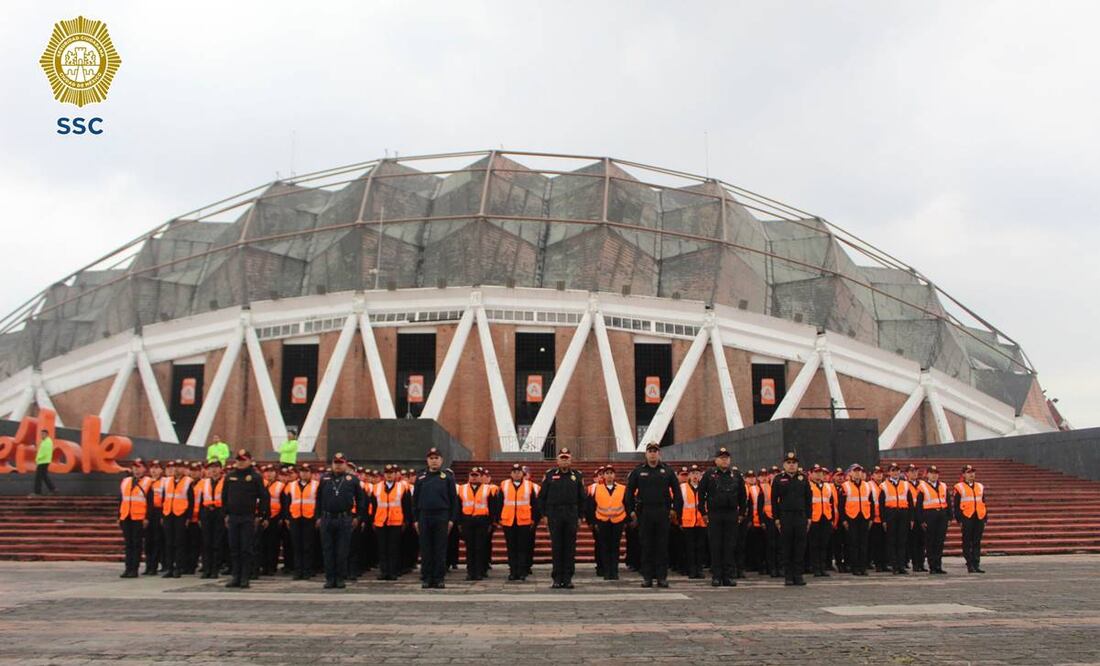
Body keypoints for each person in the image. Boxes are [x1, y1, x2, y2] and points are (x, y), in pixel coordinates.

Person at [626, 442, 683, 589]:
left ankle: (662, 577)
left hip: (662, 512)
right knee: (646, 546)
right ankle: (647, 577)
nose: (652, 454)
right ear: (646, 454)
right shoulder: (638, 471)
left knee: (662, 546)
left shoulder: (667, 471)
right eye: (650, 451)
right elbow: (628, 493)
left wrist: (675, 510)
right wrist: (631, 511)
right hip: (645, 513)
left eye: (655, 451)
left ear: (659, 453)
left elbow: (677, 493)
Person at [316, 452, 366, 589]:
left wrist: (358, 517)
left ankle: (340, 578)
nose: (338, 466)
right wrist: (318, 517)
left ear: (345, 464)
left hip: (344, 519)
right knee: (328, 550)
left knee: (342, 550)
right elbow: (318, 499)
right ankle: (329, 578)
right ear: (332, 464)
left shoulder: (352, 480)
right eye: (336, 463)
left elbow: (361, 500)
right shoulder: (324, 479)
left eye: (341, 463)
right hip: (327, 518)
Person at [698, 447, 746, 587]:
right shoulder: (709, 474)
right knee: (716, 546)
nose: (724, 460)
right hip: (715, 514)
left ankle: (729, 576)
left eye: (726, 457)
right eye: (721, 457)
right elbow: (701, 494)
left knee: (730, 546)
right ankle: (717, 576)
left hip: (731, 514)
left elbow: (743, 496)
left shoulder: (736, 475)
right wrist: (703, 512)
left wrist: (742, 513)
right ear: (716, 460)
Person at [221, 449, 269, 589]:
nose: (240, 463)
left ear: (249, 461)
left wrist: (261, 515)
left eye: (243, 460)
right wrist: (225, 514)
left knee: (246, 548)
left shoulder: (255, 477)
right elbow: (224, 497)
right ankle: (235, 576)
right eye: (238, 460)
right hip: (233, 517)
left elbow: (264, 497)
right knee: (234, 547)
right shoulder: (230, 476)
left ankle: (245, 578)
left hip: (248, 517)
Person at [539, 448, 586, 589]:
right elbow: (542, 497)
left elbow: (582, 498)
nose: (564, 460)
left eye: (567, 458)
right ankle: (557, 578)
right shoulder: (550, 475)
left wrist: (580, 516)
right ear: (557, 460)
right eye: (562, 458)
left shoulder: (577, 475)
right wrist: (544, 515)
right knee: (557, 547)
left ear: (570, 460)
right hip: (554, 514)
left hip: (571, 513)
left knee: (570, 548)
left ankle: (568, 578)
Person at [413, 447, 459, 589]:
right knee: (426, 549)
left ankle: (439, 578)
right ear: (427, 460)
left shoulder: (447, 478)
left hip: (441, 516)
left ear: (441, 460)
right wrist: (416, 520)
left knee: (440, 549)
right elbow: (415, 501)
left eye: (436, 458)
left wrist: (451, 519)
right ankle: (427, 578)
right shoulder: (421, 478)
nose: (434, 461)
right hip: (424, 516)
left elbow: (453, 501)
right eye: (431, 458)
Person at [771, 451, 811, 586]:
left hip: (800, 515)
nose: (791, 466)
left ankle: (798, 575)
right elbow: (774, 500)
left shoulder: (803, 478)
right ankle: (788, 575)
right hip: (785, 516)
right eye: (789, 463)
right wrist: (776, 518)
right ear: (784, 465)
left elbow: (808, 499)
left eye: (794, 463)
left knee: (800, 546)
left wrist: (809, 517)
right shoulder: (778, 479)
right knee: (786, 546)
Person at [498, 462, 538, 582]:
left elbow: (534, 504)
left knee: (522, 547)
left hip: (524, 520)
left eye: (519, 472)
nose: (516, 474)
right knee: (511, 547)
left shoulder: (529, 485)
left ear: (522, 474)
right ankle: (513, 571)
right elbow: (499, 502)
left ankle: (522, 571)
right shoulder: (504, 484)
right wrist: (499, 518)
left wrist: (534, 519)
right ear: (511, 473)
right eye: (514, 472)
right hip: (508, 520)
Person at [373, 464, 412, 581]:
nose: (389, 475)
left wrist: (406, 521)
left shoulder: (402, 488)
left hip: (396, 522)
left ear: (395, 475)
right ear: (384, 475)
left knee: (394, 548)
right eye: (387, 473)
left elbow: (407, 506)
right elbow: (373, 506)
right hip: (381, 522)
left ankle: (393, 571)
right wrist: (372, 521)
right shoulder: (377, 487)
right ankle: (384, 571)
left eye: (391, 473)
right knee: (382, 548)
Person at [590, 465, 626, 581]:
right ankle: (606, 571)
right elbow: (592, 506)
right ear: (603, 476)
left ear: (614, 475)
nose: (609, 475)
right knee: (604, 547)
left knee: (615, 547)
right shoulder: (597, 488)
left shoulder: (622, 488)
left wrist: (626, 520)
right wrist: (594, 521)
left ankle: (614, 571)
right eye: (607, 473)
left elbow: (627, 503)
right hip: (602, 521)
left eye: (611, 473)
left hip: (618, 521)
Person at [878, 463, 915, 575]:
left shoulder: (905, 485)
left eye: (897, 470)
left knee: (902, 541)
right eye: (893, 470)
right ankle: (894, 565)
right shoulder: (883, 486)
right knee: (892, 541)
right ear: (889, 473)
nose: (895, 472)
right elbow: (881, 504)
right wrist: (883, 520)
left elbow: (910, 503)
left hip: (903, 514)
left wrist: (911, 518)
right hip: (890, 514)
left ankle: (901, 565)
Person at [457, 467, 493, 581]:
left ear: (481, 477)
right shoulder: (461, 489)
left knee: (480, 547)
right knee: (470, 547)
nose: (474, 477)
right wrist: (459, 522)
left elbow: (492, 506)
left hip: (482, 520)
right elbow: (458, 506)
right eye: (472, 475)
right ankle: (470, 572)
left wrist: (491, 522)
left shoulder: (488, 489)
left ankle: (479, 571)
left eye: (476, 475)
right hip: (467, 521)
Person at [160, 460, 194, 578]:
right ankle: (169, 567)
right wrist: (162, 515)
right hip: (168, 514)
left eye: (180, 467)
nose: (177, 469)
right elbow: (164, 498)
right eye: (175, 467)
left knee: (179, 542)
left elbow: (191, 501)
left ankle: (179, 567)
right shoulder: (167, 481)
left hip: (181, 514)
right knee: (169, 542)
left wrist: (188, 517)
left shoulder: (188, 481)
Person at [118, 461, 151, 578]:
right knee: (128, 544)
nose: (136, 470)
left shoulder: (148, 482)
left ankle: (134, 569)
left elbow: (150, 502)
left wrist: (147, 517)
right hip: (126, 516)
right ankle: (128, 568)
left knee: (136, 544)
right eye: (134, 467)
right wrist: (119, 516)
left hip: (139, 517)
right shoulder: (126, 481)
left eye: (139, 467)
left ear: (144, 469)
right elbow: (121, 499)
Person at [838, 464, 873, 576]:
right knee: (853, 544)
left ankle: (863, 567)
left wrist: (871, 518)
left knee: (863, 543)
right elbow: (841, 505)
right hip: (851, 517)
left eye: (859, 471)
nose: (858, 473)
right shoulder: (845, 486)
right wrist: (844, 520)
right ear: (850, 473)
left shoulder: (867, 486)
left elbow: (871, 503)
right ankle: (855, 567)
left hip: (864, 517)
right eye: (855, 471)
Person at [286, 463, 319, 580]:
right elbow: (287, 502)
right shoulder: (291, 485)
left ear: (311, 473)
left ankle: (307, 570)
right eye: (302, 471)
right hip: (295, 517)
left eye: (307, 471)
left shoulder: (317, 485)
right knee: (296, 545)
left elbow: (319, 503)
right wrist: (287, 518)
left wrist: (317, 517)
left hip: (309, 518)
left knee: (308, 546)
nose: (304, 473)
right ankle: (298, 570)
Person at [953, 464, 987, 574]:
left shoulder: (980, 486)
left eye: (972, 472)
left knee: (977, 541)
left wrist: (985, 517)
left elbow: (983, 502)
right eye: (968, 472)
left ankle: (976, 564)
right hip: (967, 517)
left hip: (979, 516)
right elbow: (956, 505)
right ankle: (969, 563)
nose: (971, 474)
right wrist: (959, 520)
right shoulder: (959, 487)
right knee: (967, 541)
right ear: (963, 475)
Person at [916, 465, 949, 575]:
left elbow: (947, 501)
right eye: (932, 473)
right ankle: (932, 566)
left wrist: (949, 516)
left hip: (942, 515)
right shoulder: (922, 487)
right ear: (927, 474)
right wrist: (921, 520)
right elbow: (919, 506)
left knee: (940, 542)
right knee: (930, 542)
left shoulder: (943, 486)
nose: (934, 475)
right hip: (929, 516)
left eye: (936, 473)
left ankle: (938, 565)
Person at [807, 464, 837, 577]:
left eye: (820, 472)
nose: (819, 474)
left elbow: (831, 503)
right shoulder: (808, 486)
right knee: (814, 545)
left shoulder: (828, 487)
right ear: (810, 474)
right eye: (816, 472)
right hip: (814, 518)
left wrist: (831, 519)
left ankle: (822, 567)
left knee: (823, 544)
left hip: (826, 518)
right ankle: (815, 568)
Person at [197, 461, 225, 579]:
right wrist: (199, 516)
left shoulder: (225, 481)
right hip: (206, 512)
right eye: (211, 468)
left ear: (220, 469)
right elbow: (198, 500)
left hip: (219, 512)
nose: (213, 470)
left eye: (216, 467)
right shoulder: (204, 482)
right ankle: (206, 568)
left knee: (217, 542)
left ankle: (215, 569)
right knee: (206, 542)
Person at [679, 465, 707, 580]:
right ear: (689, 476)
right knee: (689, 547)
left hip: (701, 521)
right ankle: (691, 569)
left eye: (697, 473)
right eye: (693, 473)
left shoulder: (704, 487)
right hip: (687, 522)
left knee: (700, 547)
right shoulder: (682, 487)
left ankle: (699, 569)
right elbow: (679, 504)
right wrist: (679, 520)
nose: (695, 476)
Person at [144, 460, 166, 575]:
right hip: (147, 513)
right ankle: (148, 565)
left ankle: (155, 565)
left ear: (161, 470)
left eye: (157, 468)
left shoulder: (165, 482)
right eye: (152, 467)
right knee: (148, 541)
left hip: (159, 512)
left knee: (157, 540)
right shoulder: (146, 482)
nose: (154, 470)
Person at [905, 464, 926, 572]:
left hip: (921, 514)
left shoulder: (922, 484)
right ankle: (915, 564)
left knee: (922, 541)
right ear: (907, 473)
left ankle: (921, 563)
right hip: (911, 514)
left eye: (915, 471)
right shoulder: (904, 485)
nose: (914, 473)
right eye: (911, 471)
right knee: (912, 541)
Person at [868, 466, 888, 572]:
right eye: (876, 473)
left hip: (885, 518)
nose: (879, 475)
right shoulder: (869, 485)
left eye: (880, 473)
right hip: (875, 518)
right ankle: (878, 564)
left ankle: (884, 563)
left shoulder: (885, 485)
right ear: (872, 475)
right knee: (876, 543)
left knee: (885, 542)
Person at [32, 429, 57, 496]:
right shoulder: (45, 441)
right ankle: (53, 489)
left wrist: (38, 458)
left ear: (46, 434)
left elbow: (44, 452)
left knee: (38, 477)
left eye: (43, 434)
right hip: (43, 461)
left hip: (43, 461)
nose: (41, 435)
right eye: (41, 434)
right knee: (44, 476)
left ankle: (37, 492)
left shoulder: (47, 442)